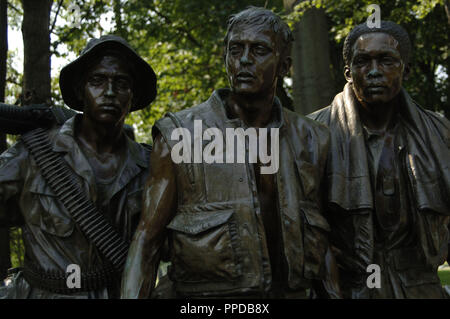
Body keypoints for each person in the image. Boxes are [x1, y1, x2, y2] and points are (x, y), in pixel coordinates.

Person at [122, 7, 339, 299]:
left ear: (285, 65)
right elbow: (146, 241)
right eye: (236, 49)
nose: (245, 60)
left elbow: (323, 245)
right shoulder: (178, 137)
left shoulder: (314, 139)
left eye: (259, 50)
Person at [0, 35, 157, 298]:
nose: (109, 92)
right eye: (97, 81)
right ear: (80, 90)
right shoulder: (34, 153)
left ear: (133, 94)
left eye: (121, 83)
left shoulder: (151, 167)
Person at [309, 21, 450, 298]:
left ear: (405, 70)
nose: (374, 72)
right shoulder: (313, 134)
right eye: (363, 62)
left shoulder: (440, 133)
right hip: (349, 288)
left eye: (386, 61)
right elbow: (305, 232)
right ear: (348, 73)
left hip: (422, 287)